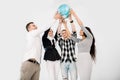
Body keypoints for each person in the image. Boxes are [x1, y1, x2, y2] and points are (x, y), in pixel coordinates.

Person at [70, 9, 96, 80]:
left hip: (86, 58)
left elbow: (81, 25)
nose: (80, 31)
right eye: (81, 30)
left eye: (81, 30)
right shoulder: (80, 40)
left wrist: (74, 14)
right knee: (82, 77)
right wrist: (69, 20)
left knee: (86, 77)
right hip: (80, 59)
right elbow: (71, 37)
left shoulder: (90, 37)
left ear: (85, 32)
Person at [56, 14, 77, 80]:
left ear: (67, 33)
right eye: (63, 33)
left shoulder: (72, 40)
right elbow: (58, 33)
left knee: (74, 78)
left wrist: (71, 20)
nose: (64, 33)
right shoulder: (61, 41)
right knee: (64, 78)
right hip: (63, 62)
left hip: (72, 62)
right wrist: (60, 23)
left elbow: (74, 31)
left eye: (65, 32)